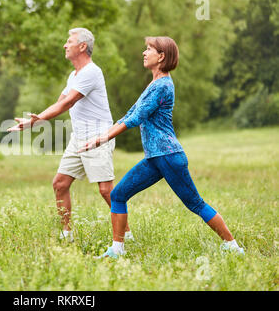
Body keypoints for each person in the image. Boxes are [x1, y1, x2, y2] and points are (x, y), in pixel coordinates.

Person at [79, 36, 245, 257]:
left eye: (149, 49)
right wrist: (101, 135)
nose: (144, 52)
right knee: (118, 195)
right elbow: (130, 113)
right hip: (155, 158)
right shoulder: (154, 83)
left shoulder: (163, 85)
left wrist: (102, 139)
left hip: (168, 155)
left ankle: (232, 246)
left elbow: (136, 118)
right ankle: (116, 250)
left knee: (194, 203)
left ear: (162, 56)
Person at [8, 28, 132, 241]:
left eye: (69, 41)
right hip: (78, 138)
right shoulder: (73, 75)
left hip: (97, 138)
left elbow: (68, 102)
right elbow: (60, 100)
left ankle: (126, 234)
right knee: (60, 184)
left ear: (82, 46)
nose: (65, 45)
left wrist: (38, 120)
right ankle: (67, 234)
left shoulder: (92, 72)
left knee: (105, 190)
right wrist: (33, 121)